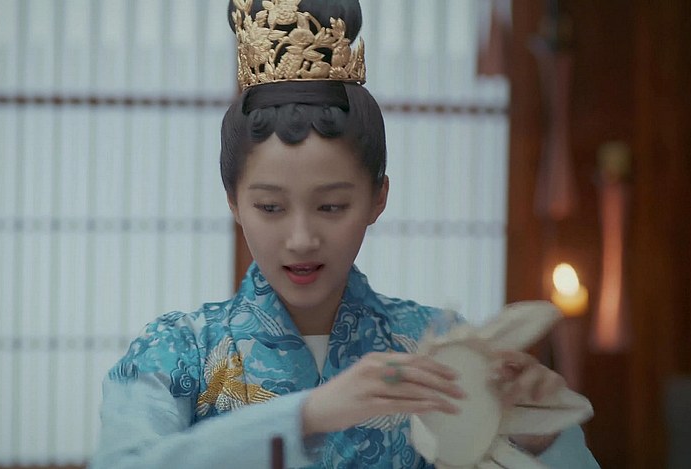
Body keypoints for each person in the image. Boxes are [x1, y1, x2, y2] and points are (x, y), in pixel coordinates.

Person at [89, 1, 600, 467]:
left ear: (378, 198)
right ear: (233, 203)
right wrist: (309, 414)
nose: (301, 238)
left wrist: (540, 437)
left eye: (331, 206)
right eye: (270, 207)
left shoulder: (439, 350)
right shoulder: (177, 350)